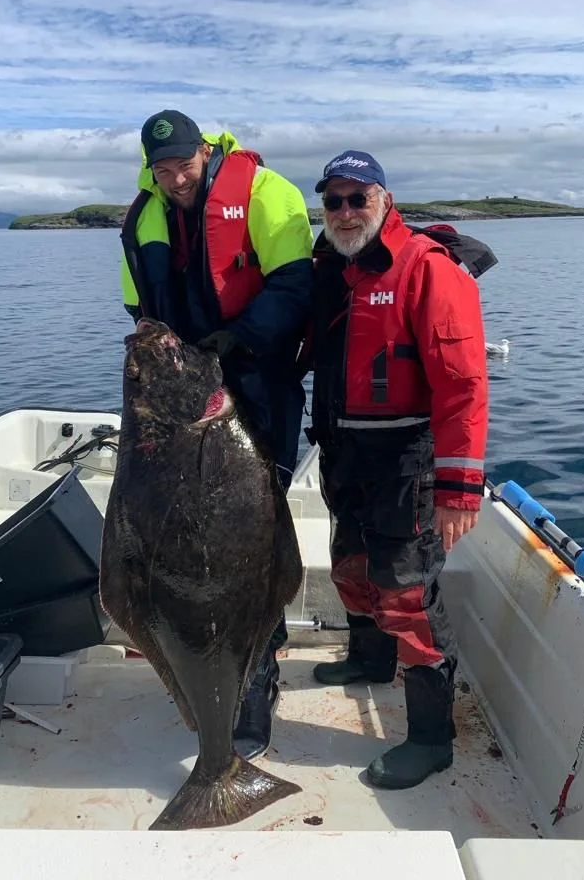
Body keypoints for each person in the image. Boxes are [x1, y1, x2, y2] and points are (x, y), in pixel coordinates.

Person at [119, 109, 313, 759]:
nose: (175, 178)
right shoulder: (141, 217)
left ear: (206, 149)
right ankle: (205, 665)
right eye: (162, 169)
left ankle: (256, 672)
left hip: (256, 380)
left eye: (184, 163)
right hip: (181, 391)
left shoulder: (266, 193)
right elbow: (136, 305)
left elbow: (294, 285)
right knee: (179, 535)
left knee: (252, 529)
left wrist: (241, 337)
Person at [303, 149, 491, 791]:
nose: (347, 211)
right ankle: (368, 659)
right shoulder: (328, 267)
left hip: (407, 460)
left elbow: (465, 386)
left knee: (408, 593)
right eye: (335, 200)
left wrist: (459, 489)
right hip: (342, 452)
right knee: (350, 565)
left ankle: (432, 739)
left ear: (385, 200)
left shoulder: (428, 268)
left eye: (360, 198)